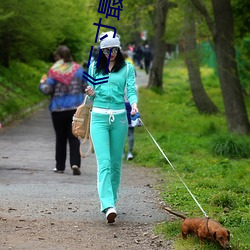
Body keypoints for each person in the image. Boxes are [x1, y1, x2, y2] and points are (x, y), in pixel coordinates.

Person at [85, 31, 138, 223]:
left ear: (119, 49)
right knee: (104, 162)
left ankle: (112, 201)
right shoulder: (94, 67)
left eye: (114, 49)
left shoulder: (127, 68)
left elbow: (131, 90)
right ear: (102, 51)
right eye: (107, 50)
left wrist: (134, 104)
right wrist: (90, 92)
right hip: (98, 118)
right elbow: (90, 97)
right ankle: (107, 205)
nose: (111, 53)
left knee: (116, 164)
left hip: (120, 119)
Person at [39, 45, 87, 175]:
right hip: (75, 109)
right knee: (74, 136)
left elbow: (47, 90)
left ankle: (60, 167)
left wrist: (42, 83)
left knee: (60, 138)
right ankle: (75, 163)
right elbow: (86, 87)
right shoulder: (78, 69)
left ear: (58, 57)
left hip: (58, 109)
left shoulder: (54, 71)